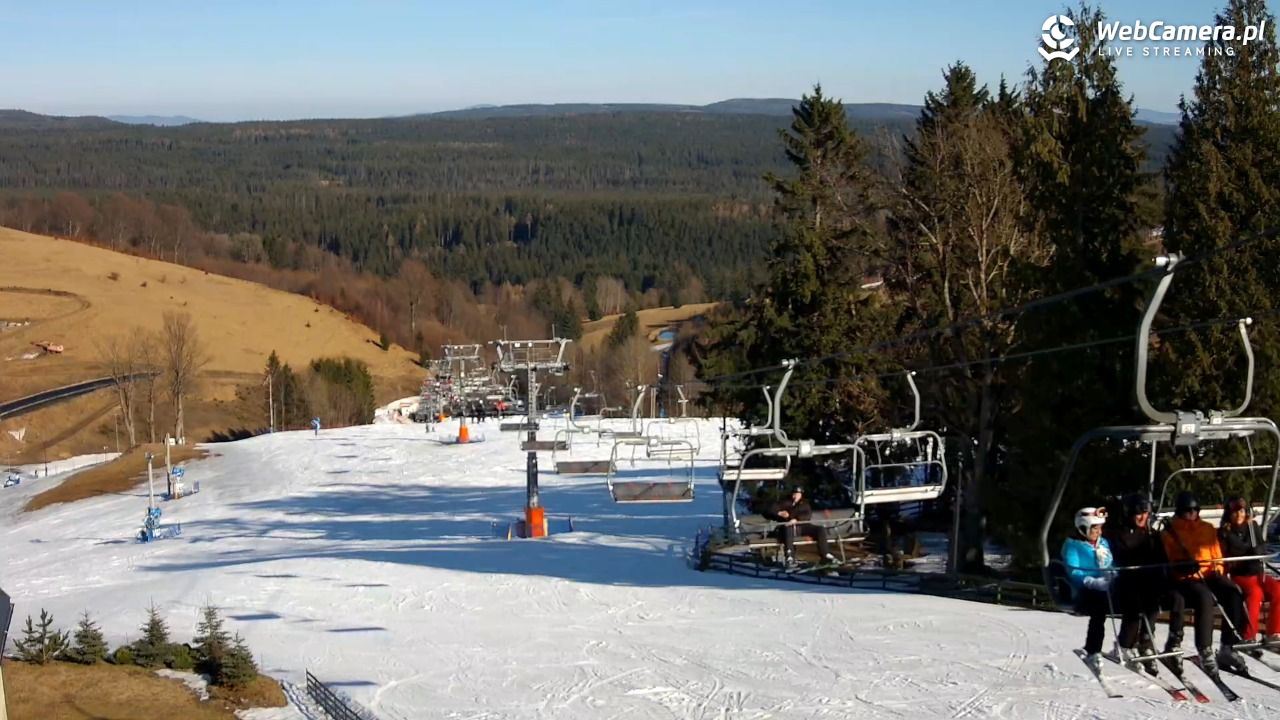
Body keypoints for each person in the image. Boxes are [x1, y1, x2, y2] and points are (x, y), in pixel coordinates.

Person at [1162, 491, 1248, 675]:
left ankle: (1228, 646)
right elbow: (1168, 560)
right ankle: (1204, 648)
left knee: (1233, 592)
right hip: (1188, 577)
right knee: (1204, 596)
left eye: (1195, 510)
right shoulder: (1171, 531)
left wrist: (1218, 570)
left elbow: (1215, 552)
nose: (1192, 514)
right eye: (1188, 510)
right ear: (1180, 511)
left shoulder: (1207, 528)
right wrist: (1183, 566)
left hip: (1210, 573)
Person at [1105, 493, 1183, 674]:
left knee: (1176, 598)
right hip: (1128, 581)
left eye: (1146, 513)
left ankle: (1169, 643)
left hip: (1151, 580)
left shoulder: (1152, 535)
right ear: (1130, 513)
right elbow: (1121, 557)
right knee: (1139, 602)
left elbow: (1162, 558)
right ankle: (1125, 645)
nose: (1143, 517)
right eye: (1139, 513)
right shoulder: (1119, 534)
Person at [1219, 496, 1280, 653]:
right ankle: (1248, 636)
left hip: (1257, 572)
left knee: (1277, 590)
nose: (1239, 515)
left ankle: (1273, 632)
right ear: (1229, 514)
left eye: (1241, 511)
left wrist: (1259, 550)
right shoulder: (1226, 532)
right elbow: (1238, 549)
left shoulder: (1252, 527)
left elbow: (1261, 545)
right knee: (1255, 594)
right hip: (1241, 574)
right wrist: (1253, 550)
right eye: (1235, 512)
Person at [1061, 506, 1115, 671]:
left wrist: (1113, 574)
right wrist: (1092, 581)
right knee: (1100, 606)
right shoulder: (1073, 546)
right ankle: (1093, 649)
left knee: (1133, 597)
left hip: (1106, 588)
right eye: (1094, 528)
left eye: (1100, 528)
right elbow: (1073, 571)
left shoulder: (1103, 543)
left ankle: (1128, 644)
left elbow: (1110, 563)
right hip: (1082, 591)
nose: (1098, 532)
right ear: (1083, 528)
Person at [761, 485, 834, 567]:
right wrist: (779, 513)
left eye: (798, 494)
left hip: (802, 526)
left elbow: (807, 515)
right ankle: (789, 556)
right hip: (786, 528)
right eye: (794, 494)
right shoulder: (784, 503)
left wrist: (797, 519)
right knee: (788, 527)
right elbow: (767, 511)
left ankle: (825, 554)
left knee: (820, 529)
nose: (796, 496)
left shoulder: (804, 504)